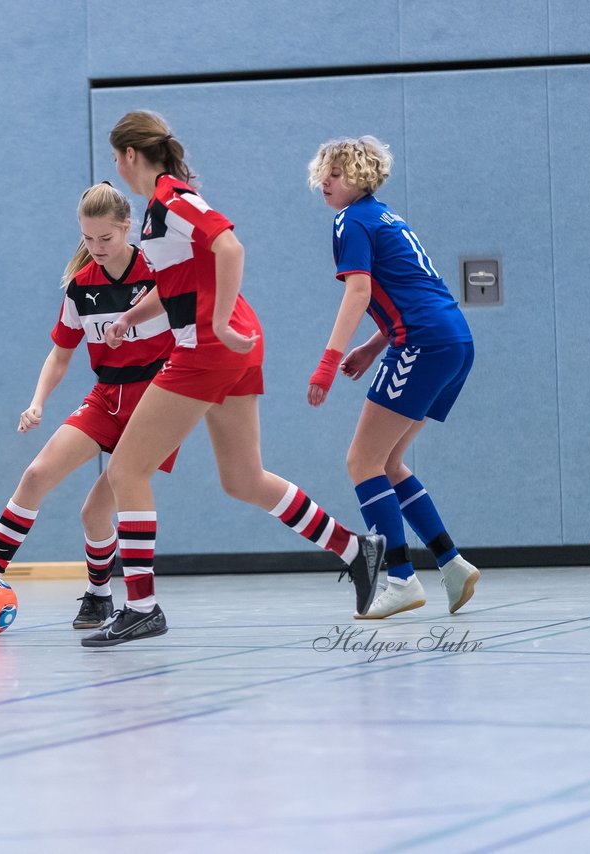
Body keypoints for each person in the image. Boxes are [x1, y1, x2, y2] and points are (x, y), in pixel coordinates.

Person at [79, 111, 387, 648]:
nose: (117, 169)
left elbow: (230, 247)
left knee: (127, 469)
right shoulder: (158, 210)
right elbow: (182, 280)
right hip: (232, 346)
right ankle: (356, 551)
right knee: (243, 478)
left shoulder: (173, 199)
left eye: (116, 159)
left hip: (211, 347)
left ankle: (143, 607)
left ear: (130, 156)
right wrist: (132, 318)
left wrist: (218, 319)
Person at [0, 182, 178, 629]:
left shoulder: (156, 270)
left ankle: (104, 595)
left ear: (128, 228)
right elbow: (60, 353)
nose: (97, 247)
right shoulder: (80, 287)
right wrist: (37, 402)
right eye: (88, 239)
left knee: (93, 512)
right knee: (35, 475)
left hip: (155, 401)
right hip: (106, 396)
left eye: (105, 238)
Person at [305, 135, 480, 620]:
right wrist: (372, 345)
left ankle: (400, 578)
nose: (325, 181)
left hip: (423, 343)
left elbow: (359, 292)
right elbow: (412, 288)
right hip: (452, 340)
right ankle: (452, 563)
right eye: (322, 171)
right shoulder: (388, 217)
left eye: (335, 174)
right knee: (391, 462)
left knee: (362, 462)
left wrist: (328, 361)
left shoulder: (350, 220)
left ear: (359, 177)